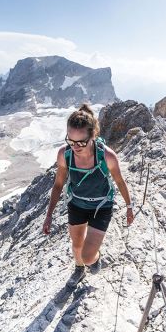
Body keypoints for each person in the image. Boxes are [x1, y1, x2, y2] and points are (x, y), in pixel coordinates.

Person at [43, 103, 134, 287]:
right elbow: (58, 184)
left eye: (81, 142)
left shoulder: (107, 156)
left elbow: (119, 181)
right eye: (71, 141)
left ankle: (95, 258)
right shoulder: (64, 154)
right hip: (77, 204)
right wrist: (49, 215)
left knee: (87, 256)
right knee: (77, 245)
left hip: (101, 206)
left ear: (93, 136)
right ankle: (79, 269)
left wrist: (129, 207)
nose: (75, 147)